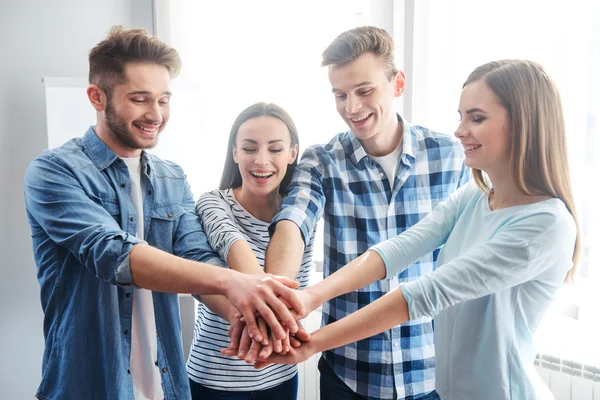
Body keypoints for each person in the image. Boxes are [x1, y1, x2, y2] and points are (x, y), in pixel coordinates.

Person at [263, 59, 580, 400]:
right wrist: (309, 297)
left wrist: (311, 343)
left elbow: (426, 293)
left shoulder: (546, 223)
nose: (460, 130)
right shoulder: (476, 197)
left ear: (523, 124)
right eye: (461, 117)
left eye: (477, 118)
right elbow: (398, 249)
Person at [23, 27, 303, 400]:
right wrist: (235, 284)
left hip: (167, 386)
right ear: (97, 96)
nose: (156, 114)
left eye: (164, 100)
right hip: (88, 385)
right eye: (140, 99)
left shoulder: (172, 176)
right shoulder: (54, 171)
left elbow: (197, 255)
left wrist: (253, 319)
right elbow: (114, 255)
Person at [230, 26, 469, 399]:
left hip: (430, 369)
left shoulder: (448, 154)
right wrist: (275, 302)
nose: (351, 107)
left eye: (364, 91)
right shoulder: (321, 160)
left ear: (398, 84)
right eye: (340, 95)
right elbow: (293, 223)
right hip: (349, 373)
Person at [186, 102, 315, 399]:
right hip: (214, 377)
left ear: (292, 153)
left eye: (275, 149)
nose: (261, 160)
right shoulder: (213, 203)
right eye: (249, 148)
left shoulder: (300, 214)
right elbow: (232, 243)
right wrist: (271, 315)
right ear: (235, 153)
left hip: (280, 373)